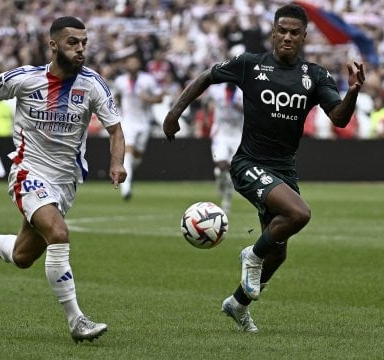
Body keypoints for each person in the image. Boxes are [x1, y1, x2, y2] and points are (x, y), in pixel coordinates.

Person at [163, 4, 364, 333]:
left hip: (283, 170)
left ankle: (239, 304)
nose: (287, 36)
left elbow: (339, 117)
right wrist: (174, 114)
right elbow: (206, 77)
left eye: (294, 32)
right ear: (273, 32)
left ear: (304, 37)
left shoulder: (315, 76)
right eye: (281, 30)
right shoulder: (249, 65)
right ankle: (251, 257)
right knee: (299, 214)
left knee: (279, 254)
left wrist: (353, 91)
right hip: (248, 164)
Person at [0, 16, 126, 343]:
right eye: (73, 42)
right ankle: (77, 322)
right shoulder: (27, 78)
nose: (81, 49)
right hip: (28, 169)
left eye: (84, 43)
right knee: (58, 233)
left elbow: (115, 129)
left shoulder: (93, 84)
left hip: (66, 181)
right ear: (54, 44)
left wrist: (117, 163)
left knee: (22, 257)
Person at [113, 53, 163, 200]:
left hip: (144, 123)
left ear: (139, 64)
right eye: (129, 62)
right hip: (127, 122)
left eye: (135, 62)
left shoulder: (148, 80)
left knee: (137, 158)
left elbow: (160, 97)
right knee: (128, 153)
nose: (132, 65)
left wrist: (148, 99)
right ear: (126, 65)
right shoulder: (120, 81)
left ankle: (129, 176)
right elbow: (116, 97)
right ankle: (126, 188)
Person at [206, 82, 244, 214]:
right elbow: (206, 102)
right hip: (220, 132)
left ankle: (226, 199)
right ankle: (222, 187)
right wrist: (207, 114)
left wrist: (241, 108)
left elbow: (254, 111)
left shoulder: (243, 92)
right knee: (221, 166)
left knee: (232, 169)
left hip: (237, 134)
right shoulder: (215, 90)